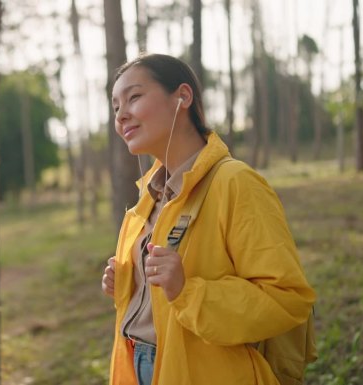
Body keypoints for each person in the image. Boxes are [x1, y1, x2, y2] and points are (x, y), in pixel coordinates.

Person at [101, 53, 316, 385]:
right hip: (140, 365)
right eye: (116, 106)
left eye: (134, 97)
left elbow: (286, 299)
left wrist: (188, 290)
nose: (121, 115)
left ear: (182, 97)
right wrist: (130, 284)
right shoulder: (148, 199)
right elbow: (163, 297)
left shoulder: (236, 183)